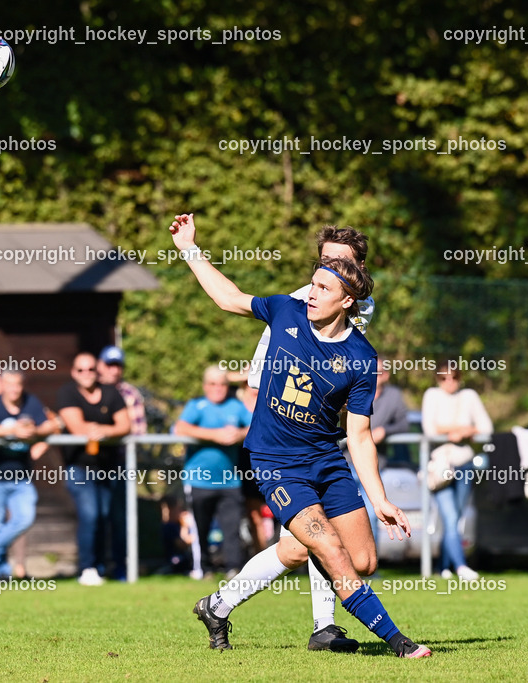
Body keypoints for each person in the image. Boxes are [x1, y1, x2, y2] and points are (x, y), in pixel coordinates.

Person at [170, 212, 431, 659]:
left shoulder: (361, 355)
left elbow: (361, 435)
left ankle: (218, 605)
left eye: (328, 282)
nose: (313, 290)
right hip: (276, 459)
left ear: (351, 295)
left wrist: (381, 499)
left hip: (325, 457)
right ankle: (396, 641)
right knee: (327, 545)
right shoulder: (288, 308)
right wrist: (190, 249)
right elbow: (229, 298)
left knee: (353, 558)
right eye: (316, 276)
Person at [241, 225, 376, 652]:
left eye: (344, 261)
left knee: (318, 552)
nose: (333, 267)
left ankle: (218, 604)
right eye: (326, 259)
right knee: (316, 544)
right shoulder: (301, 303)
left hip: (319, 442)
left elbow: (346, 365)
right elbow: (263, 375)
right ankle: (325, 625)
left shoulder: (359, 303)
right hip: (282, 438)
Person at [0, 370, 56, 581]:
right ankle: (2, 573)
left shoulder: (31, 402)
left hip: (21, 477)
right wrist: (11, 432)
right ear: (3, 385)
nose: (14, 389)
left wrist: (36, 434)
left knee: (25, 518)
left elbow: (53, 424)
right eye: (10, 384)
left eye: (18, 385)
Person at [57, 352, 132, 585]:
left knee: (108, 515)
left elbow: (125, 424)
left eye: (91, 369)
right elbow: (77, 426)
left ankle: (107, 566)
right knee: (90, 515)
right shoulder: (67, 393)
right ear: (73, 372)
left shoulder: (111, 393)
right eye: (81, 370)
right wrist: (101, 428)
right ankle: (87, 567)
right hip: (79, 467)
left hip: (109, 466)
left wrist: (104, 431)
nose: (87, 374)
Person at [174, 365, 253, 578]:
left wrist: (239, 434)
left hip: (230, 480)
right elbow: (180, 428)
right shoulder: (196, 406)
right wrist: (214, 435)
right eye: (213, 384)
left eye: (222, 384)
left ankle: (233, 569)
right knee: (200, 527)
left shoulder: (236, 407)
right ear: (205, 386)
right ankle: (203, 569)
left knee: (232, 527)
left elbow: (256, 426)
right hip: (198, 480)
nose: (218, 388)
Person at [421, 361, 493, 581]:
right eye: (443, 377)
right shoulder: (431, 395)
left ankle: (443, 566)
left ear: (459, 378)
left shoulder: (469, 396)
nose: (449, 382)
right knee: (450, 518)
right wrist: (459, 430)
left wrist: (466, 431)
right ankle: (462, 567)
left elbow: (487, 428)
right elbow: (430, 429)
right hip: (441, 466)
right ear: (437, 379)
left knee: (455, 519)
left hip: (464, 464)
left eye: (453, 377)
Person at [346, 355, 412, 544]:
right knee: (343, 513)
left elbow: (404, 425)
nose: (376, 375)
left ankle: (369, 565)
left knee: (372, 512)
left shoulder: (393, 396)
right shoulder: (352, 390)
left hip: (372, 464)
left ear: (387, 375)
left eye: (380, 372)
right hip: (346, 462)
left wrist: (384, 431)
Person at [97, 346, 147, 436]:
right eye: (110, 365)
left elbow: (139, 431)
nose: (115, 371)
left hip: (121, 447)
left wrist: (109, 431)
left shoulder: (130, 393)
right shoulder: (90, 390)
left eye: (118, 366)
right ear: (99, 365)